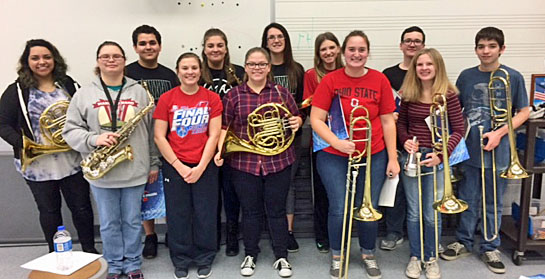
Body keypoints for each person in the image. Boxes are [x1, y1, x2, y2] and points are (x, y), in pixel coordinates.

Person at [63, 41, 159, 279]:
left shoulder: (140, 91)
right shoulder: (83, 94)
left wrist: (154, 163)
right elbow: (70, 131)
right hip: (102, 172)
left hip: (134, 169)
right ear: (98, 61)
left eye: (116, 56)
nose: (111, 60)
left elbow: (150, 132)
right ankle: (115, 265)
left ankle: (133, 264)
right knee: (108, 223)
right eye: (105, 56)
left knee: (132, 220)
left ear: (124, 60)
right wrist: (94, 139)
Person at [310, 30, 399, 279]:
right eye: (351, 49)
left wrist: (392, 158)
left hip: (374, 153)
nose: (356, 54)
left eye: (361, 50)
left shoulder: (380, 80)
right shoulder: (330, 80)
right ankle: (338, 255)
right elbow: (316, 119)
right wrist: (337, 142)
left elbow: (388, 122)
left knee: (365, 206)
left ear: (367, 52)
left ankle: (368, 253)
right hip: (333, 154)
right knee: (339, 206)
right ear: (343, 51)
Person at [441, 26, 530, 274]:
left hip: (499, 151)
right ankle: (464, 241)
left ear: (502, 49)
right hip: (470, 149)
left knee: (492, 201)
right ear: (476, 49)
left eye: (492, 46)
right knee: (467, 198)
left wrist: (499, 133)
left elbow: (523, 111)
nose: (486, 51)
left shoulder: (513, 77)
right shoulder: (466, 77)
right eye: (481, 46)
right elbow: (456, 112)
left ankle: (490, 245)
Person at [0, 39, 97, 254]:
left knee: (82, 208)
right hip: (38, 164)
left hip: (71, 160)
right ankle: (55, 254)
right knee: (49, 211)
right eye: (35, 58)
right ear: (27, 62)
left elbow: (83, 113)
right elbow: (3, 124)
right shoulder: (16, 91)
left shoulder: (68, 84)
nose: (42, 62)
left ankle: (90, 251)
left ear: (55, 60)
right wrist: (23, 144)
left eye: (47, 57)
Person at [214, 47, 302, 278]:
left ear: (268, 67)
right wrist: (220, 151)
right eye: (252, 64)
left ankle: (281, 256)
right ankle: (250, 253)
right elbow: (225, 127)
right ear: (246, 67)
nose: (257, 68)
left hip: (278, 161)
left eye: (261, 64)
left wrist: (295, 122)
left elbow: (296, 117)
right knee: (250, 212)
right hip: (244, 163)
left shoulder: (282, 93)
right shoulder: (233, 96)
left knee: (276, 211)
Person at [397, 48, 464, 279]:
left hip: (436, 158)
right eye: (419, 64)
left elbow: (459, 130)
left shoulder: (449, 95)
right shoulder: (409, 93)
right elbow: (401, 125)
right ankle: (416, 256)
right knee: (414, 212)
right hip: (413, 158)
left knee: (431, 213)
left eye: (429, 64)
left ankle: (431, 257)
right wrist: (405, 142)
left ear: (437, 67)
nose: (424, 68)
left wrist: (441, 154)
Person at [154, 52, 222, 279]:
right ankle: (181, 258)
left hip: (205, 165)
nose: (190, 72)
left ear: (200, 71)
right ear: (177, 72)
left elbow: (214, 136)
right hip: (175, 165)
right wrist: (179, 166)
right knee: (178, 214)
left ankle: (205, 256)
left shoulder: (212, 98)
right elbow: (159, 137)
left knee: (205, 213)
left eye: (194, 68)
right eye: (185, 68)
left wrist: (201, 166)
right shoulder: (167, 99)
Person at [125, 24, 180, 259]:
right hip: (138, 142)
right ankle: (150, 236)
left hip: (168, 142)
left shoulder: (169, 75)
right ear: (135, 47)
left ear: (159, 46)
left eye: (152, 43)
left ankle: (172, 232)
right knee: (146, 191)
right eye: (143, 43)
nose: (148, 47)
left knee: (170, 189)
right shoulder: (127, 75)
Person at [200, 27, 245, 256]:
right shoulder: (197, 73)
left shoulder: (237, 72)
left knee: (231, 191)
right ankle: (213, 234)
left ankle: (233, 234)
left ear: (226, 48)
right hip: (203, 143)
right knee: (209, 192)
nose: (215, 49)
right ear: (204, 49)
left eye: (220, 45)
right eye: (211, 45)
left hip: (232, 141)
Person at [380, 26, 426, 251]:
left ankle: (419, 232)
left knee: (420, 191)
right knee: (395, 190)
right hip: (395, 142)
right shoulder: (387, 74)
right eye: (408, 40)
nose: (412, 44)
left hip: (421, 141)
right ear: (401, 45)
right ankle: (394, 231)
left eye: (417, 41)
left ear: (423, 46)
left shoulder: (427, 71)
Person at [261, 22, 305, 253]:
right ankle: (266, 229)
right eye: (271, 37)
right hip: (262, 139)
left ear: (285, 41)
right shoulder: (260, 68)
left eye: (280, 37)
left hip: (290, 140)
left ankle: (287, 232)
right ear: (265, 42)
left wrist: (300, 119)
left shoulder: (296, 70)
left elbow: (305, 105)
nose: (276, 40)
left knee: (287, 185)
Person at [302, 32, 344, 253]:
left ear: (338, 49)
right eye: (323, 49)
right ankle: (322, 235)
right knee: (322, 192)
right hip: (322, 141)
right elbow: (309, 107)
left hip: (347, 140)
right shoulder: (311, 75)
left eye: (331, 48)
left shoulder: (349, 72)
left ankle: (342, 233)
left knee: (343, 193)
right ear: (318, 54)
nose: (328, 53)